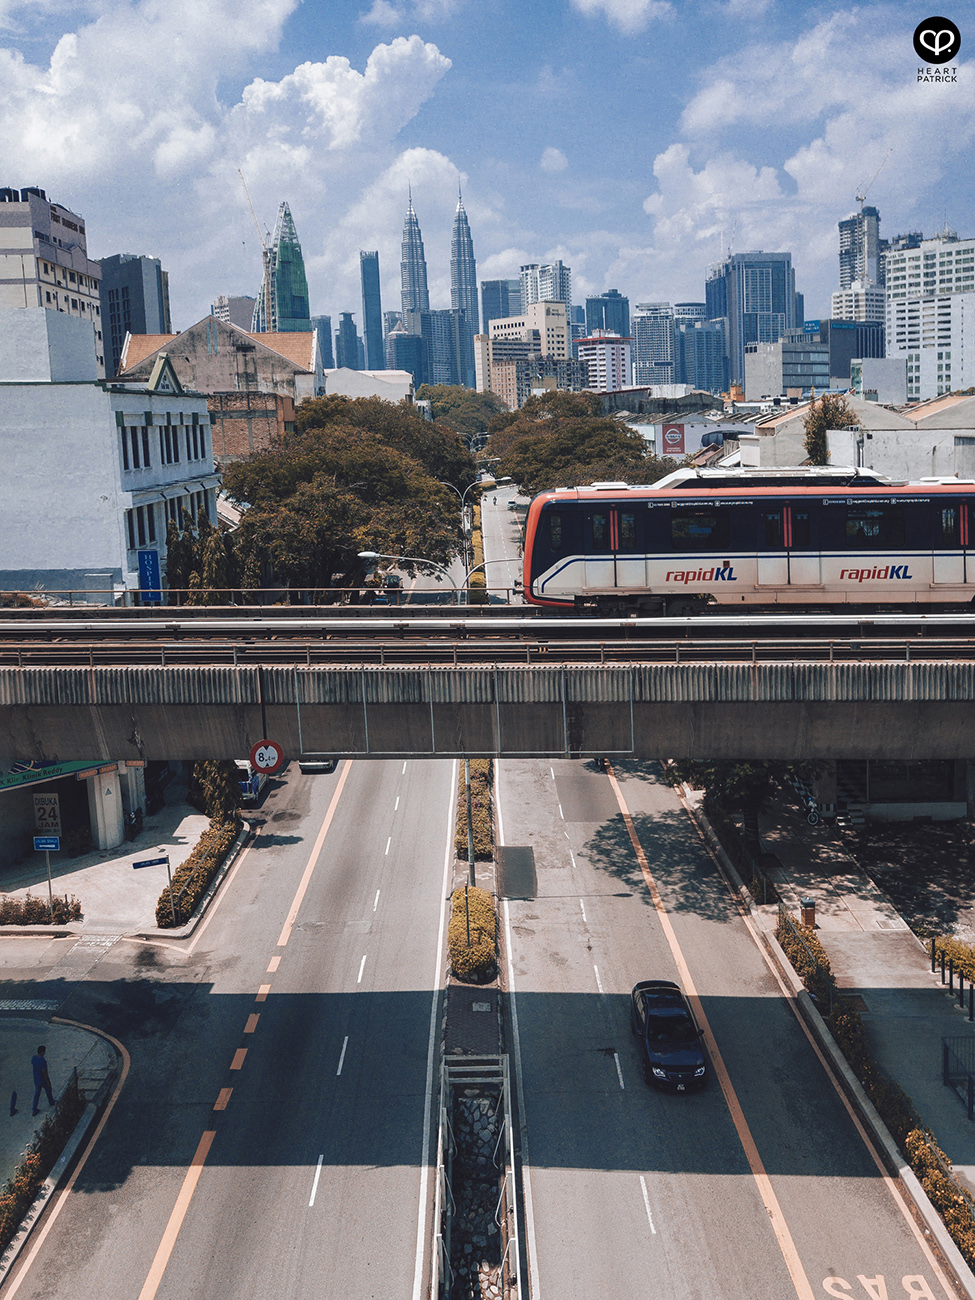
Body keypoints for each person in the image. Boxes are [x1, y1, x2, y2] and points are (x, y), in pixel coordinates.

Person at [31, 1045, 54, 1116]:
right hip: (42, 1080)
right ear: (42, 1052)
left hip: (36, 1079)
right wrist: (48, 1081)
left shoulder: (34, 1058)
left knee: (37, 1094)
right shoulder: (42, 1061)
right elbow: (44, 1073)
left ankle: (34, 1109)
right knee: (48, 1089)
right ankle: (51, 1102)